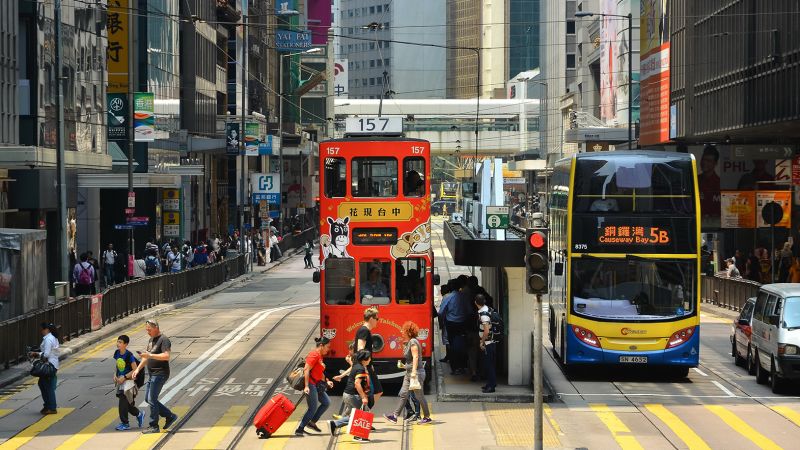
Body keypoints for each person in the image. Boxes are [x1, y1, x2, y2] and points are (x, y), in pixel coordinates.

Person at [131, 319, 178, 434]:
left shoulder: (164, 340)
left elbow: (166, 356)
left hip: (160, 373)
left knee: (152, 399)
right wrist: (137, 369)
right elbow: (146, 357)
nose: (148, 332)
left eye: (149, 330)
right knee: (148, 399)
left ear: (156, 327)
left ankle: (154, 425)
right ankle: (169, 416)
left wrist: (150, 355)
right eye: (146, 330)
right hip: (152, 374)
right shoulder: (151, 339)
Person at [384, 321, 432, 425]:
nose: (401, 331)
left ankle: (427, 416)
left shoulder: (413, 342)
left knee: (419, 396)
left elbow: (415, 357)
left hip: (416, 373)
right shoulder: (410, 342)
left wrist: (414, 372)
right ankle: (395, 416)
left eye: (403, 330)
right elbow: (411, 360)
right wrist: (404, 366)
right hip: (409, 373)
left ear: (408, 332)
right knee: (403, 394)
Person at [328, 350, 372, 441]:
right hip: (352, 395)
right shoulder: (360, 368)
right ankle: (358, 436)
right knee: (362, 414)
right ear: (364, 359)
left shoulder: (356, 365)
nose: (370, 359)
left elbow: (351, 367)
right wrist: (363, 396)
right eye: (369, 358)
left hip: (347, 394)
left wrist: (340, 376)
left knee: (355, 415)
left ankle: (335, 424)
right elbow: (357, 383)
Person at [295, 337, 334, 436]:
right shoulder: (314, 355)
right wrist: (307, 386)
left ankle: (312, 423)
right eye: (327, 347)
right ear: (321, 346)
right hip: (311, 384)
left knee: (326, 402)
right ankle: (300, 429)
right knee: (312, 408)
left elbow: (320, 372)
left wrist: (327, 381)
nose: (328, 349)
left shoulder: (320, 355)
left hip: (317, 384)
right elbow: (306, 370)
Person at [113, 335, 144, 430]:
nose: (118, 344)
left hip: (129, 382)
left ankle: (125, 424)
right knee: (127, 404)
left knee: (122, 402)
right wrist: (115, 375)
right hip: (121, 381)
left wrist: (125, 377)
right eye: (118, 342)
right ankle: (139, 414)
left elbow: (135, 369)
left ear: (126, 344)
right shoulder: (117, 353)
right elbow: (118, 365)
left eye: (120, 342)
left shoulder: (129, 355)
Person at [29, 322, 59, 414]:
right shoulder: (51, 338)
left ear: (47, 329)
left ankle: (52, 407)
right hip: (52, 364)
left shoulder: (48, 339)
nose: (41, 331)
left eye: (42, 329)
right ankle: (47, 406)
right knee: (42, 384)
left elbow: (46, 354)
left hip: (49, 365)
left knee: (47, 386)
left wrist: (35, 354)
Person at [356, 307, 383, 405]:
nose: (377, 321)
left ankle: (360, 415)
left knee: (376, 391)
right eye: (377, 319)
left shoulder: (366, 331)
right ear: (371, 318)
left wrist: (370, 365)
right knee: (376, 391)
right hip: (364, 367)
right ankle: (362, 415)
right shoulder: (364, 331)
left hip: (367, 366)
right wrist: (365, 368)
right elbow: (360, 349)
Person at [475, 294, 497, 393]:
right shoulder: (487, 308)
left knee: (489, 364)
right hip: (490, 341)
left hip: (488, 342)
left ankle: (491, 386)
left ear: (475, 302)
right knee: (489, 363)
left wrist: (482, 342)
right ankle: (490, 383)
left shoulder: (483, 314)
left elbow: (486, 331)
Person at [697, 144, 721, 218]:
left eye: (709, 161)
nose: (705, 163)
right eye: (703, 159)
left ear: (715, 163)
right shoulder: (695, 180)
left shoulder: (719, 184)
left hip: (714, 226)